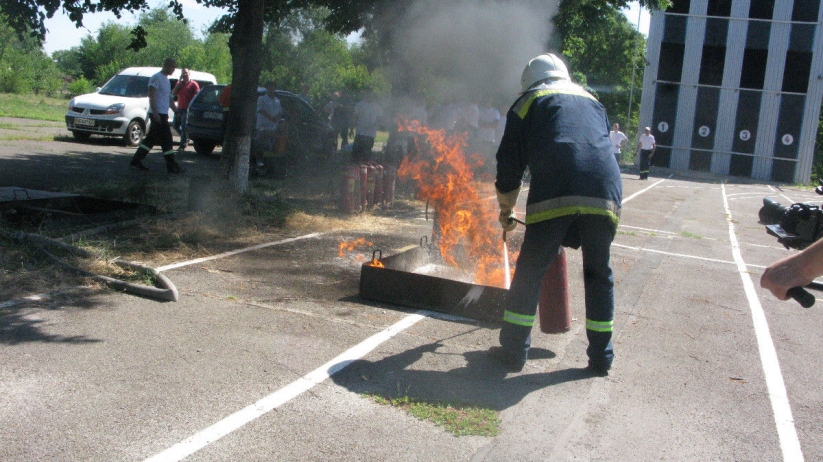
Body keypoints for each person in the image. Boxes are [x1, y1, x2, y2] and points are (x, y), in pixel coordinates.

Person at [492, 53, 622, 375]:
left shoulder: (527, 102)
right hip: (605, 193)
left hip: (556, 188)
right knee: (598, 274)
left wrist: (506, 210)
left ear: (529, 82)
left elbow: (509, 165)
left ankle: (512, 353)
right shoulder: (593, 101)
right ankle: (601, 359)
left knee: (531, 270)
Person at [129, 57, 184, 174]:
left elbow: (169, 99)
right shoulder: (156, 78)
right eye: (172, 66)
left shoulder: (167, 81)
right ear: (166, 66)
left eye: (175, 66)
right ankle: (171, 166)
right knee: (167, 139)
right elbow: (151, 96)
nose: (174, 69)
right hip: (157, 114)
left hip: (163, 114)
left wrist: (176, 111)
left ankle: (136, 160)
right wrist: (155, 113)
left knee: (153, 139)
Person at [254, 81, 283, 175]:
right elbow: (260, 110)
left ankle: (269, 167)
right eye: (270, 87)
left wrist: (276, 118)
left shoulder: (277, 100)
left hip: (273, 128)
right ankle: (258, 164)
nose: (271, 89)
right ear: (267, 88)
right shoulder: (262, 98)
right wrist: (270, 118)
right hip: (263, 127)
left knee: (270, 148)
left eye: (273, 87)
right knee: (260, 145)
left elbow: (280, 111)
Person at [351, 90, 384, 163]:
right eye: (367, 94)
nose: (368, 96)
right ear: (365, 95)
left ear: (373, 96)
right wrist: (351, 129)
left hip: (370, 134)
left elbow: (380, 119)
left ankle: (365, 169)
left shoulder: (377, 106)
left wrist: (379, 125)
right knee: (356, 153)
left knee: (367, 153)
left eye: (370, 94)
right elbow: (354, 117)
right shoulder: (359, 104)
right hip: (360, 132)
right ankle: (355, 168)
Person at [171, 68, 200, 152]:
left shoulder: (194, 84)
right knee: (175, 125)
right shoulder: (179, 83)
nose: (185, 74)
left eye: (186, 73)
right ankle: (186, 138)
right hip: (179, 108)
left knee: (184, 127)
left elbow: (197, 95)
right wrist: (179, 82)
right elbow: (174, 93)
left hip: (187, 109)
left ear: (189, 73)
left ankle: (182, 145)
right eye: (183, 73)